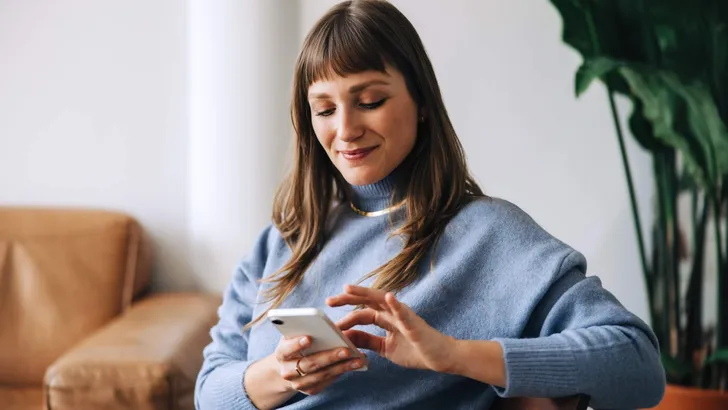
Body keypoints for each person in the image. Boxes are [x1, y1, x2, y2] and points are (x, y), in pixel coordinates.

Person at [194, 1, 666, 409]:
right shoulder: (284, 241)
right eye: (324, 109)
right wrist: (280, 374)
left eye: (370, 100)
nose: (346, 129)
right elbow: (208, 393)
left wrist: (454, 355)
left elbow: (637, 363)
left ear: (420, 100)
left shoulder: (488, 235)